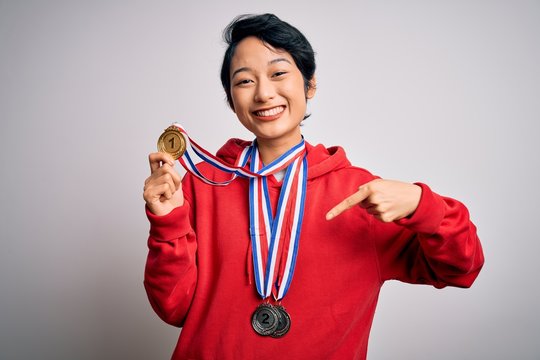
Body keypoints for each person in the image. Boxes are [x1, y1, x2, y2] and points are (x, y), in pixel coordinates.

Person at [142, 13, 484, 360]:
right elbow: (174, 308)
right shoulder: (204, 184)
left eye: (278, 73)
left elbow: (462, 268)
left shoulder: (361, 194)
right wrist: (167, 221)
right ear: (231, 99)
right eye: (244, 81)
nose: (263, 93)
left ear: (310, 85)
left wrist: (422, 204)